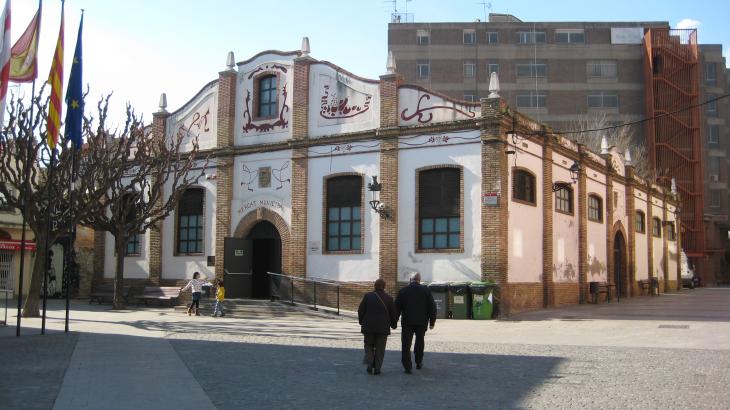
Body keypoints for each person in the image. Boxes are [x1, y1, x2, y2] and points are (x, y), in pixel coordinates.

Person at [395, 272, 436, 374]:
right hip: (421, 321)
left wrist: (394, 321)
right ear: (419, 280)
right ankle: (418, 362)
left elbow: (396, 308)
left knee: (406, 344)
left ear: (410, 279)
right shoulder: (426, 290)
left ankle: (407, 366)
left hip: (407, 321)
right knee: (420, 341)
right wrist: (432, 322)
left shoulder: (403, 291)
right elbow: (432, 307)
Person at [358, 278, 397, 375]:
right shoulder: (389, 298)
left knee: (368, 345)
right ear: (384, 287)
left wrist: (361, 321)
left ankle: (370, 363)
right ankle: (377, 368)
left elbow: (361, 310)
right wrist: (393, 324)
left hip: (368, 327)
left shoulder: (367, 296)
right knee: (380, 349)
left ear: (375, 286)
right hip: (383, 329)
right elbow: (393, 314)